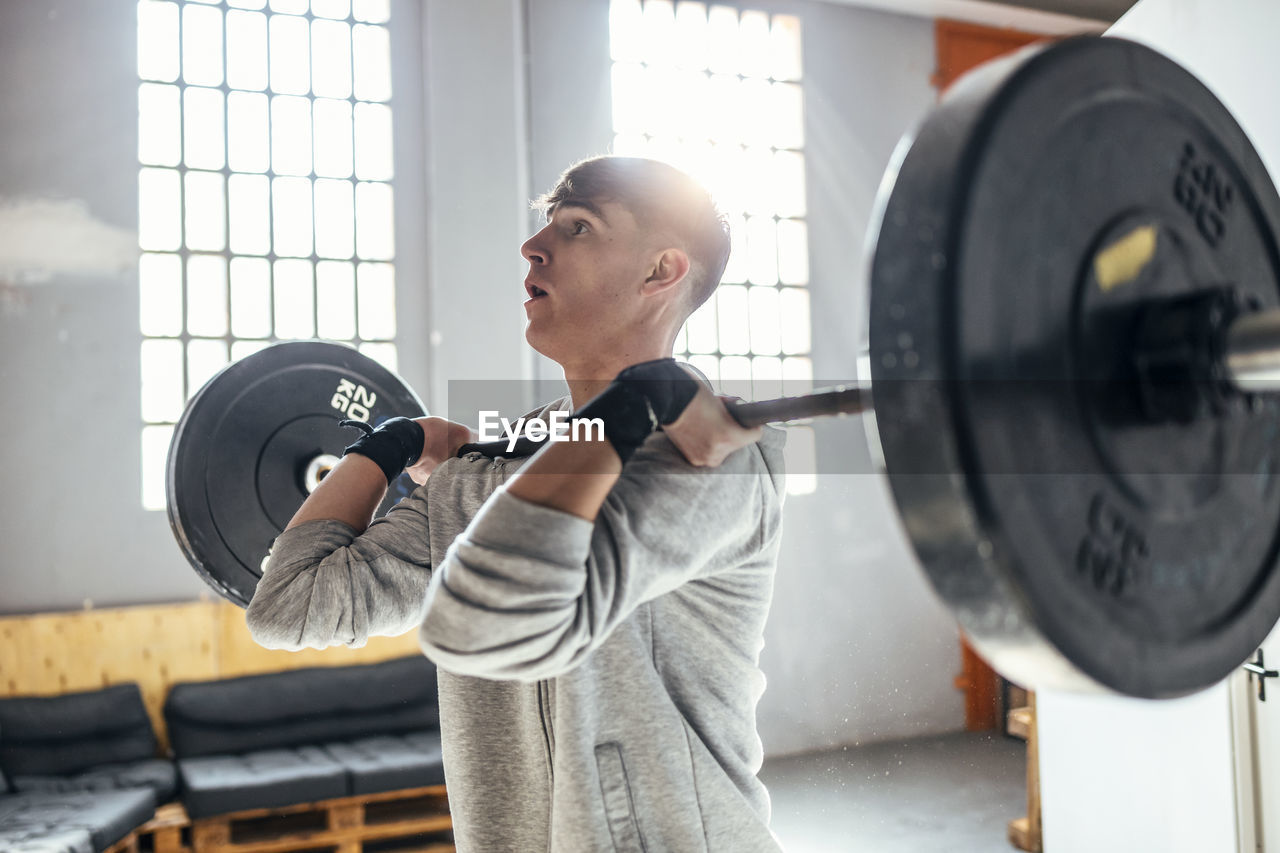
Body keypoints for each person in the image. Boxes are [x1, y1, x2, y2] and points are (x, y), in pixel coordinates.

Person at [246, 155, 788, 852]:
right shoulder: (490, 466)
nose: (533, 247)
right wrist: (391, 442)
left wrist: (638, 401)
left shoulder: (717, 459)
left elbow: (487, 622)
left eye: (579, 227)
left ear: (660, 272)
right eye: (547, 227)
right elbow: (288, 604)